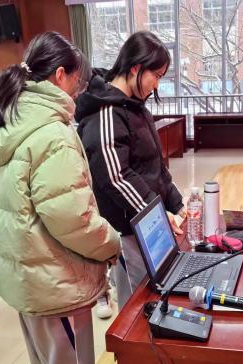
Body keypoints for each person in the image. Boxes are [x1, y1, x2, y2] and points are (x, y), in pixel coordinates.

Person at [0, 32, 121, 364]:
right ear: (60, 75)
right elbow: (73, 219)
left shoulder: (8, 119)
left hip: (26, 276)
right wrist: (111, 243)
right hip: (56, 280)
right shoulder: (52, 133)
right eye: (77, 82)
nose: (78, 92)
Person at [76, 31, 185, 313]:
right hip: (127, 228)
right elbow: (116, 177)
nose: (157, 84)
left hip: (147, 223)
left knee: (152, 296)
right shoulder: (106, 111)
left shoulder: (135, 107)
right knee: (135, 307)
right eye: (156, 75)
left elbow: (154, 167)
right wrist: (155, 212)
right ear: (136, 68)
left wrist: (177, 204)